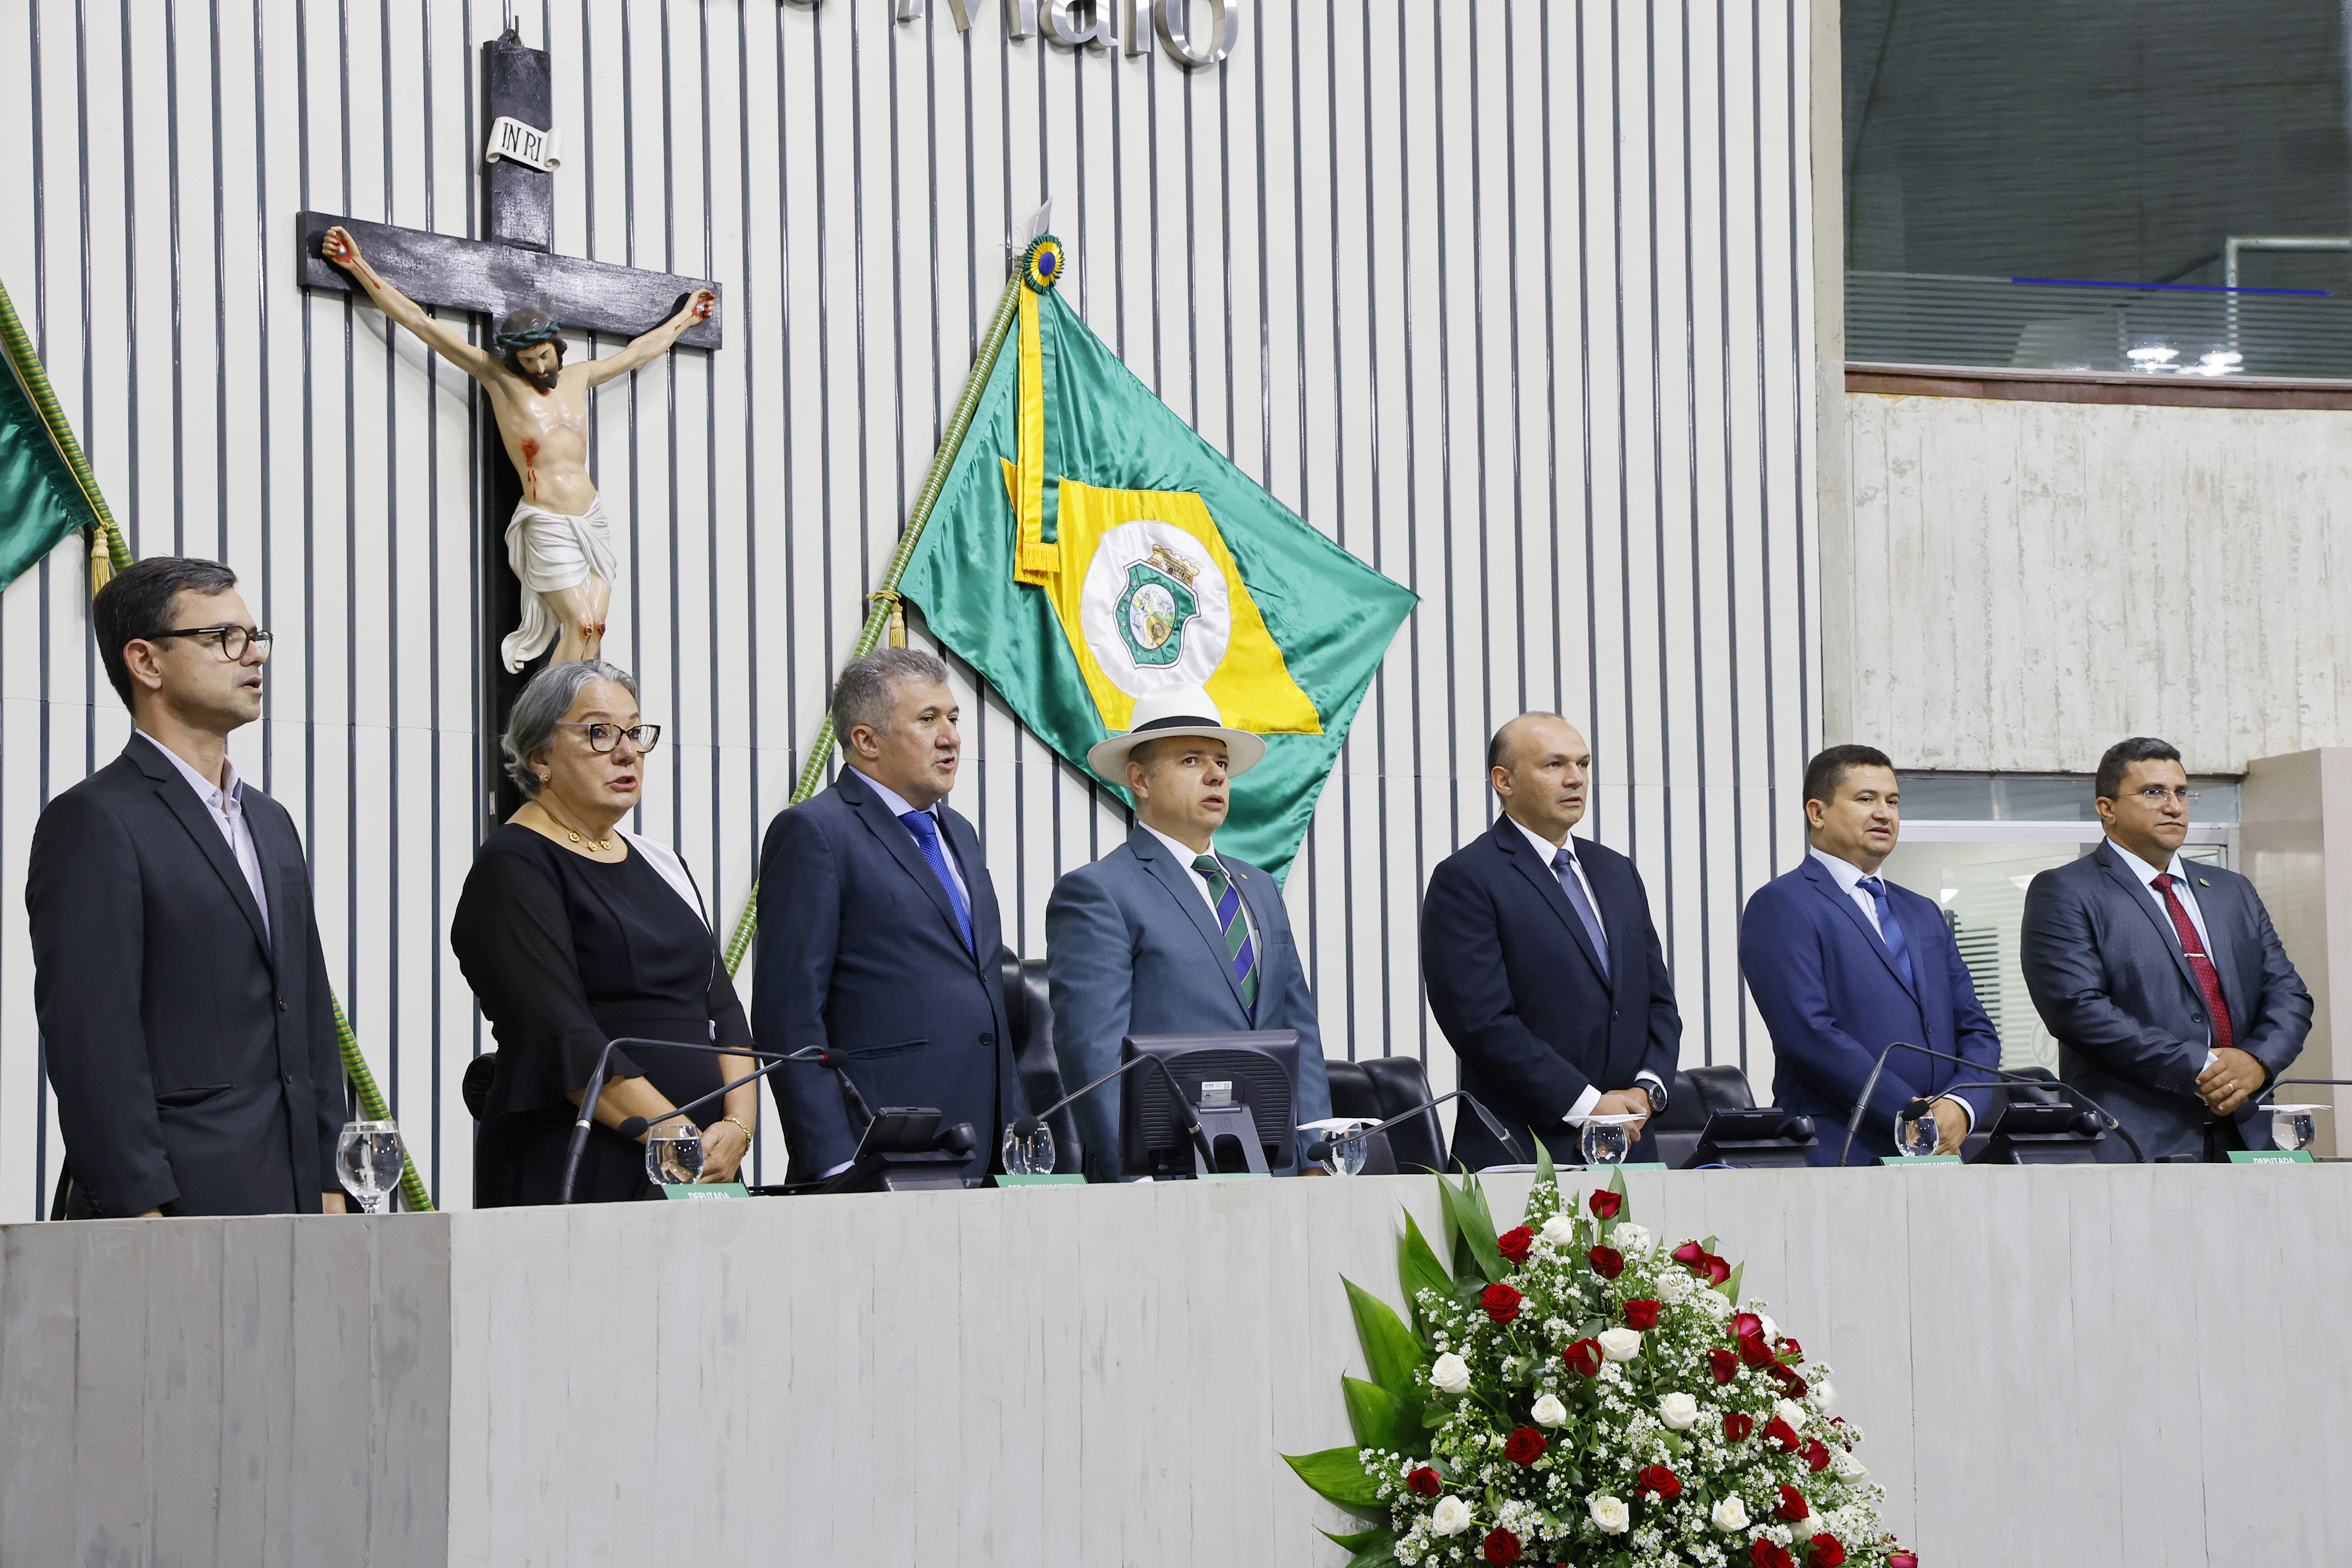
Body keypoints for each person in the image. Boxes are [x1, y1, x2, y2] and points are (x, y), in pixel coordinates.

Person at [25, 557, 348, 1218]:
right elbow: (94, 1044)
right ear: (146, 662)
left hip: (294, 1201)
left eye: (256, 637)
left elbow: (309, 1016)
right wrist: (140, 1213)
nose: (253, 655)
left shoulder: (270, 820)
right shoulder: (95, 820)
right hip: (177, 1205)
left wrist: (329, 1181)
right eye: (223, 638)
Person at [319, 225, 714, 671]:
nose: (539, 367)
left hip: (592, 516)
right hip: (547, 519)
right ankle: (553, 725)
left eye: (545, 356)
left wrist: (686, 317)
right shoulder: (499, 380)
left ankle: (578, 716)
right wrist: (357, 266)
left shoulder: (578, 377)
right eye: (528, 361)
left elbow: (640, 352)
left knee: (597, 627)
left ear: (556, 347)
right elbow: (419, 323)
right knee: (580, 624)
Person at [450, 661, 758, 1204]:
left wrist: (738, 1128)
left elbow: (724, 1009)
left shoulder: (661, 861)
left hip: (702, 1162)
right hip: (583, 1156)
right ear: (540, 755)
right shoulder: (514, 865)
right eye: (599, 733)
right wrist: (670, 1131)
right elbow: (558, 1034)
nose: (627, 751)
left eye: (635, 732)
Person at [753, 649, 1026, 1184]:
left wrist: (1016, 1132)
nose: (950, 737)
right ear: (867, 741)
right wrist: (833, 1159)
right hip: (879, 1149)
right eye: (928, 720)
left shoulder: (960, 834)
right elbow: (788, 1016)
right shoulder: (815, 833)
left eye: (952, 718)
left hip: (989, 1150)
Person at [1044, 687, 1332, 1175]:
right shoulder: (1099, 893)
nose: (1217, 773)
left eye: (1220, 761)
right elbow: (1093, 1055)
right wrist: (1133, 1173)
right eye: (1192, 760)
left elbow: (1297, 1027)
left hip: (1277, 1175)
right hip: (1165, 1176)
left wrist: (1316, 1157)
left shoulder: (1258, 887)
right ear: (1140, 780)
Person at [2020, 736, 2311, 1162]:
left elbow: (2290, 995)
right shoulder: (2066, 890)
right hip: (2138, 1141)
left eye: (2180, 793)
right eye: (2153, 793)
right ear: (2107, 808)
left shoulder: (2232, 891)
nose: (2174, 807)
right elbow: (2078, 1010)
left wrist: (2256, 1063)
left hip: (2248, 1135)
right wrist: (2200, 1066)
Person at [1420, 714, 1680, 1168]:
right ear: (1504, 780)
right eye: (1554, 765)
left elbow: (1658, 1003)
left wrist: (1644, 1092)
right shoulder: (1467, 878)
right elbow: (1482, 1024)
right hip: (1525, 1151)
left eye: (1583, 764)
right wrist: (1588, 1106)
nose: (1575, 778)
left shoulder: (1617, 871)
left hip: (1632, 1145)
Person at [1739, 745, 2001, 1164]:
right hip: (1843, 1149)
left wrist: (1960, 1108)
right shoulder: (1783, 905)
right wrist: (1914, 1114)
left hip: (1942, 1150)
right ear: (1817, 813)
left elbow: (1977, 1029)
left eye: (1892, 802)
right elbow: (1809, 1036)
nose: (1884, 813)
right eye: (1866, 799)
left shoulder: (1923, 912)